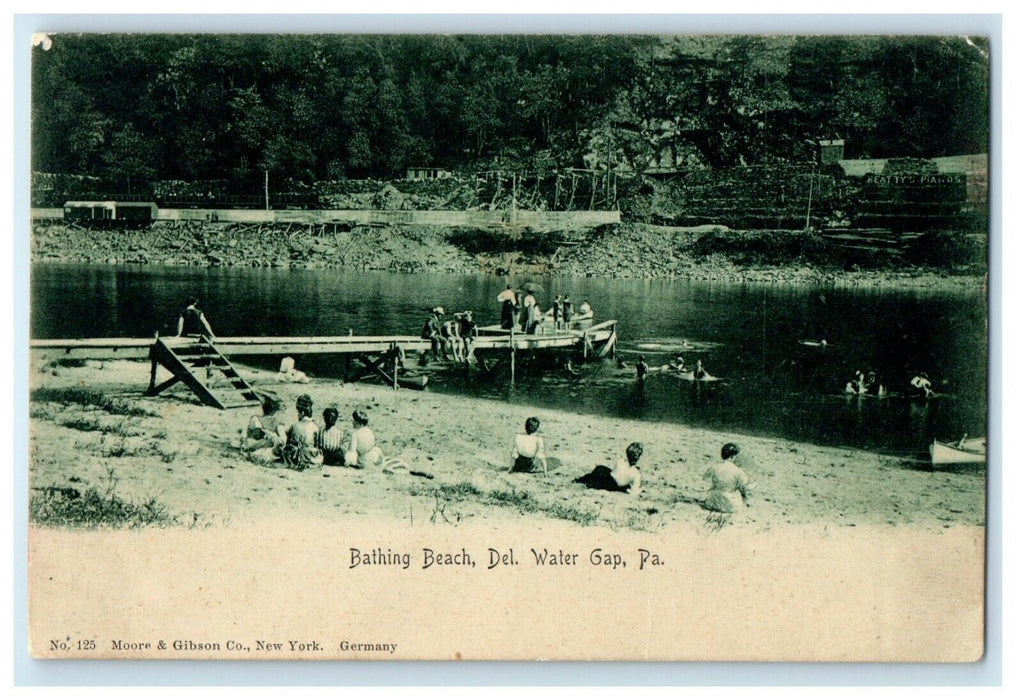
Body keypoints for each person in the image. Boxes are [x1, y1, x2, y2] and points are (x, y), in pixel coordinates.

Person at [574, 442, 643, 496]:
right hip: (614, 486)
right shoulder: (637, 474)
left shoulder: (621, 461)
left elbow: (615, 472)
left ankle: (582, 480)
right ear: (639, 457)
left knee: (600, 470)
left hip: (609, 479)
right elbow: (634, 491)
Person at [702, 443, 753, 514]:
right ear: (732, 456)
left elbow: (705, 478)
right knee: (740, 488)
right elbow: (747, 486)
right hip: (731, 506)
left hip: (712, 502)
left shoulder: (715, 467)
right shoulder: (738, 470)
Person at [282, 394, 323, 470]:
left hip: (295, 458)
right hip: (311, 457)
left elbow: (287, 445)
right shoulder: (316, 427)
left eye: (298, 413)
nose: (298, 415)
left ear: (302, 413)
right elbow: (317, 446)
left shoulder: (294, 426)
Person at [243, 394, 287, 465]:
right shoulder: (256, 419)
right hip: (254, 444)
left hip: (259, 444)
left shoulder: (256, 419)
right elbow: (257, 434)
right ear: (274, 412)